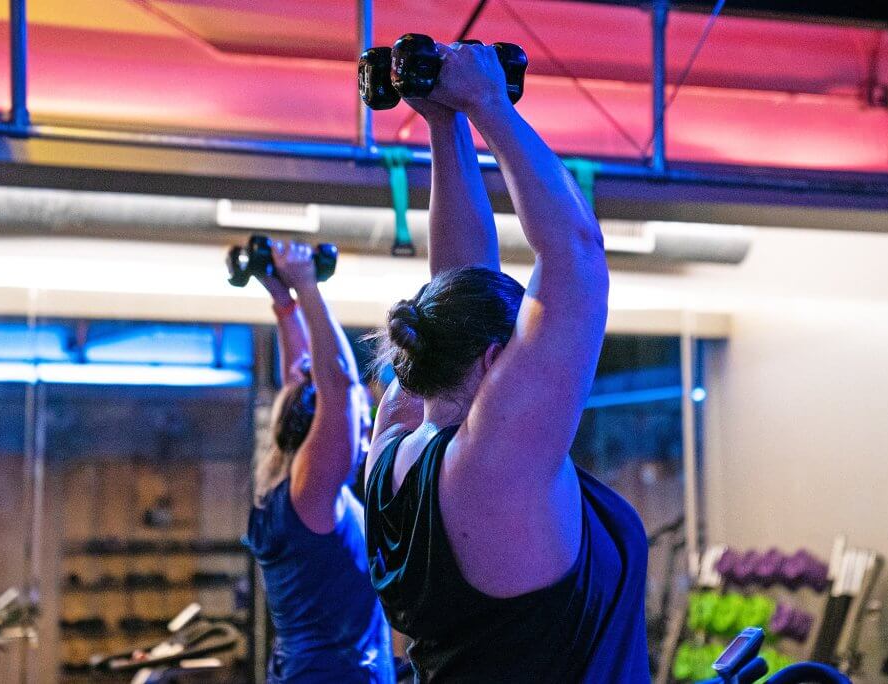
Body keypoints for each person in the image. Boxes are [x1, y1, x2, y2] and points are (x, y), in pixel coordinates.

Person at [364, 42, 650, 682]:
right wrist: (489, 105)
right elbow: (575, 252)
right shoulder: (493, 469)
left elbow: (459, 283)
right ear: (497, 361)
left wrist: (445, 125)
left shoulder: (392, 444)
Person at [246, 240, 395, 683]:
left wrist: (285, 305)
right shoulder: (310, 494)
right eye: (359, 424)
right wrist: (307, 286)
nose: (365, 431)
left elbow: (304, 380)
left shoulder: (287, 490)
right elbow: (340, 388)